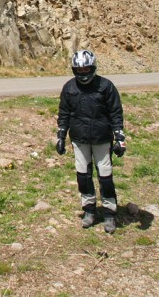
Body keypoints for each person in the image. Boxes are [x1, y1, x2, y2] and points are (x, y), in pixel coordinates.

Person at [55, 48, 126, 233]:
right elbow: (64, 113)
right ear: (74, 70)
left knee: (105, 175)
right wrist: (61, 136)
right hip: (79, 139)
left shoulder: (106, 86)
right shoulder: (69, 87)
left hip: (102, 138)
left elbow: (115, 113)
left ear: (93, 67)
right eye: (80, 70)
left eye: (86, 69)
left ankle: (110, 213)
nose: (83, 73)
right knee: (83, 176)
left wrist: (119, 137)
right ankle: (89, 210)